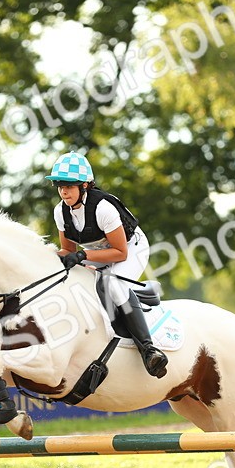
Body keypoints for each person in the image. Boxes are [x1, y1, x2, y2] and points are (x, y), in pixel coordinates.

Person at [46, 151, 168, 378]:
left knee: (115, 285)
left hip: (131, 249)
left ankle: (149, 350)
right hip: (97, 252)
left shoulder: (103, 207)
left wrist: (83, 257)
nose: (63, 191)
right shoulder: (60, 211)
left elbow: (120, 253)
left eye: (69, 186)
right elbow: (68, 251)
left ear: (85, 186)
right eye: (59, 185)